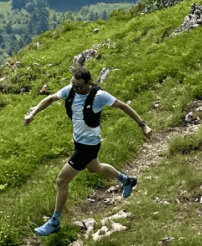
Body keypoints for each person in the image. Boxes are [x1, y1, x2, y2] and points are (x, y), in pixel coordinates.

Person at [24, 65, 151, 236]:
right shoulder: (71, 90)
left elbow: (123, 106)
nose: (76, 90)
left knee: (61, 181)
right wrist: (33, 114)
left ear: (89, 82)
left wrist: (142, 125)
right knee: (96, 168)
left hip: (89, 146)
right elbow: (51, 98)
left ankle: (54, 222)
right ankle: (126, 181)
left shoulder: (99, 96)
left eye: (79, 87)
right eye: (73, 85)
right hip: (78, 142)